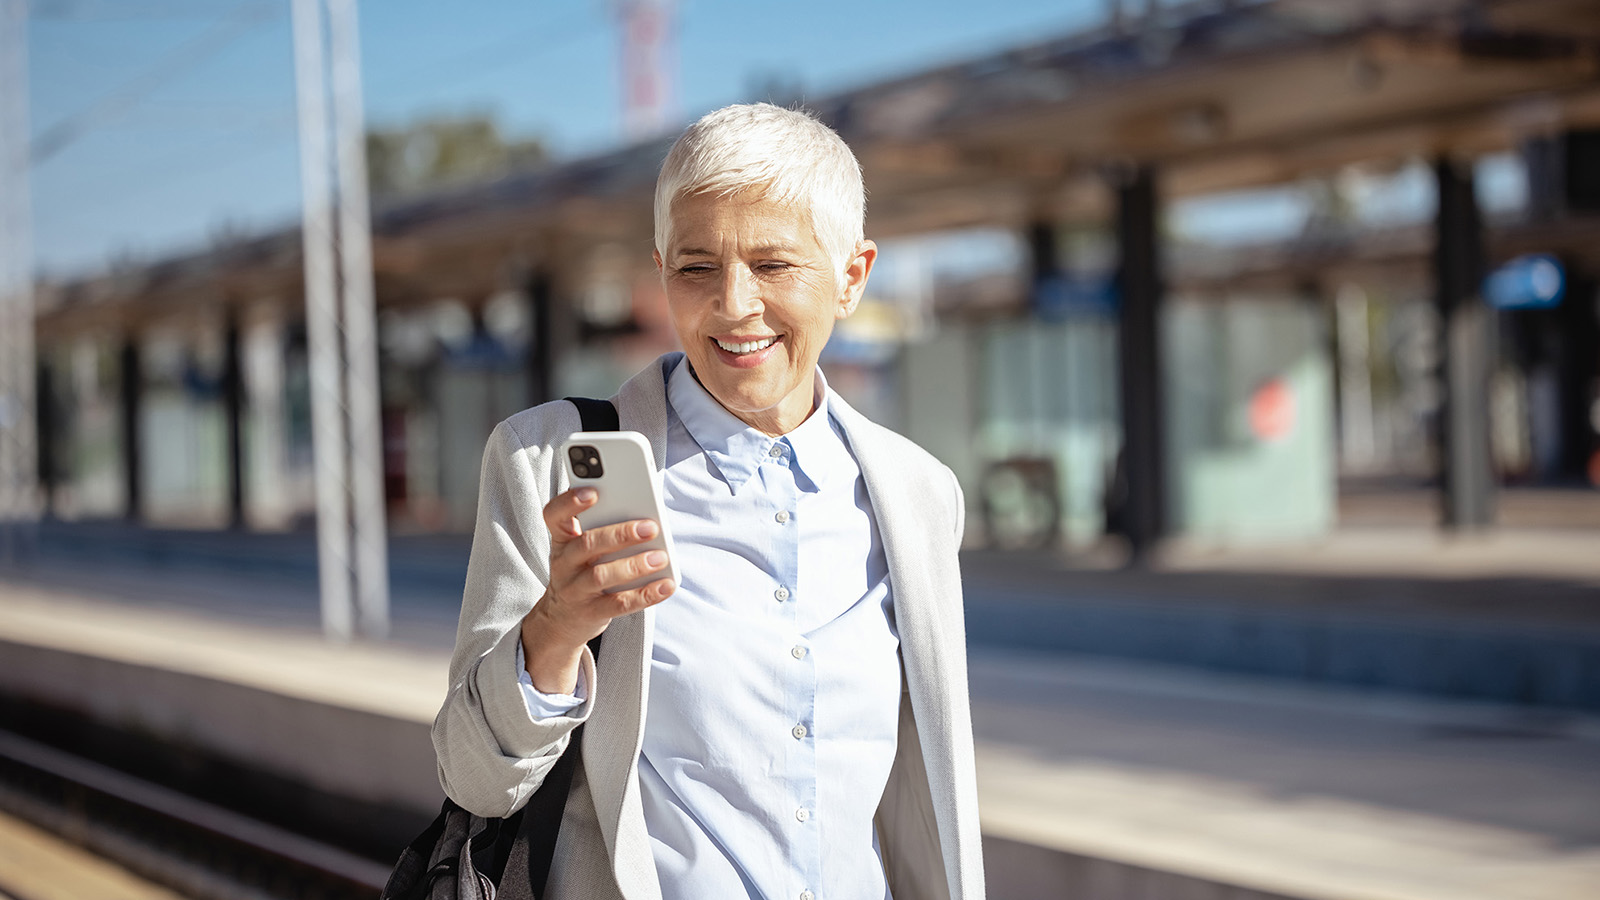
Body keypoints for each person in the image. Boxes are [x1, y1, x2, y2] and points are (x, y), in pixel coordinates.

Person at [433, 102, 984, 900]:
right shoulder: (544, 461)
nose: (733, 304)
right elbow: (473, 779)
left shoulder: (918, 494)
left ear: (852, 277)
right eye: (696, 268)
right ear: (661, 270)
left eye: (773, 266)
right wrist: (554, 632)